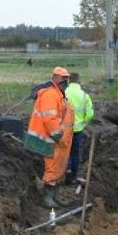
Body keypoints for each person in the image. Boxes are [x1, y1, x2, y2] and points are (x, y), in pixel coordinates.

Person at [27, 66, 74, 208]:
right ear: (55, 78)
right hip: (53, 140)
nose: (64, 82)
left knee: (59, 169)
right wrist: (57, 136)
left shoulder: (60, 94)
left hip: (62, 140)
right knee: (52, 168)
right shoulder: (50, 94)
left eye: (66, 79)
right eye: (62, 78)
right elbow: (50, 118)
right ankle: (47, 198)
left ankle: (54, 196)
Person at [64, 72, 94, 185]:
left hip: (64, 128)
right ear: (79, 82)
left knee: (63, 152)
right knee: (75, 153)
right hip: (77, 129)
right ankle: (73, 176)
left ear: (68, 81)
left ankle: (62, 173)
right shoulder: (84, 95)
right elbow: (90, 114)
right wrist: (83, 123)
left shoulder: (63, 93)